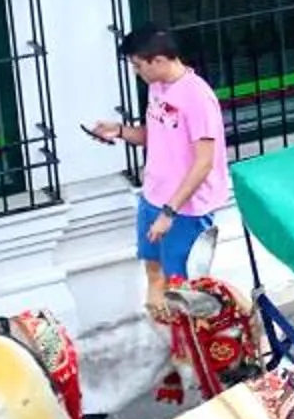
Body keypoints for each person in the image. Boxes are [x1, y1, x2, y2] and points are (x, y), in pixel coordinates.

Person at [86, 29, 231, 320]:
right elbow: (157, 135)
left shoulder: (197, 98)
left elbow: (204, 163)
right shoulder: (157, 88)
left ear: (160, 60)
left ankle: (192, 352)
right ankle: (170, 347)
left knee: (182, 289)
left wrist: (169, 212)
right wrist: (120, 131)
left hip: (185, 208)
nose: (137, 72)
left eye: (139, 66)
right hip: (154, 194)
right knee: (153, 275)